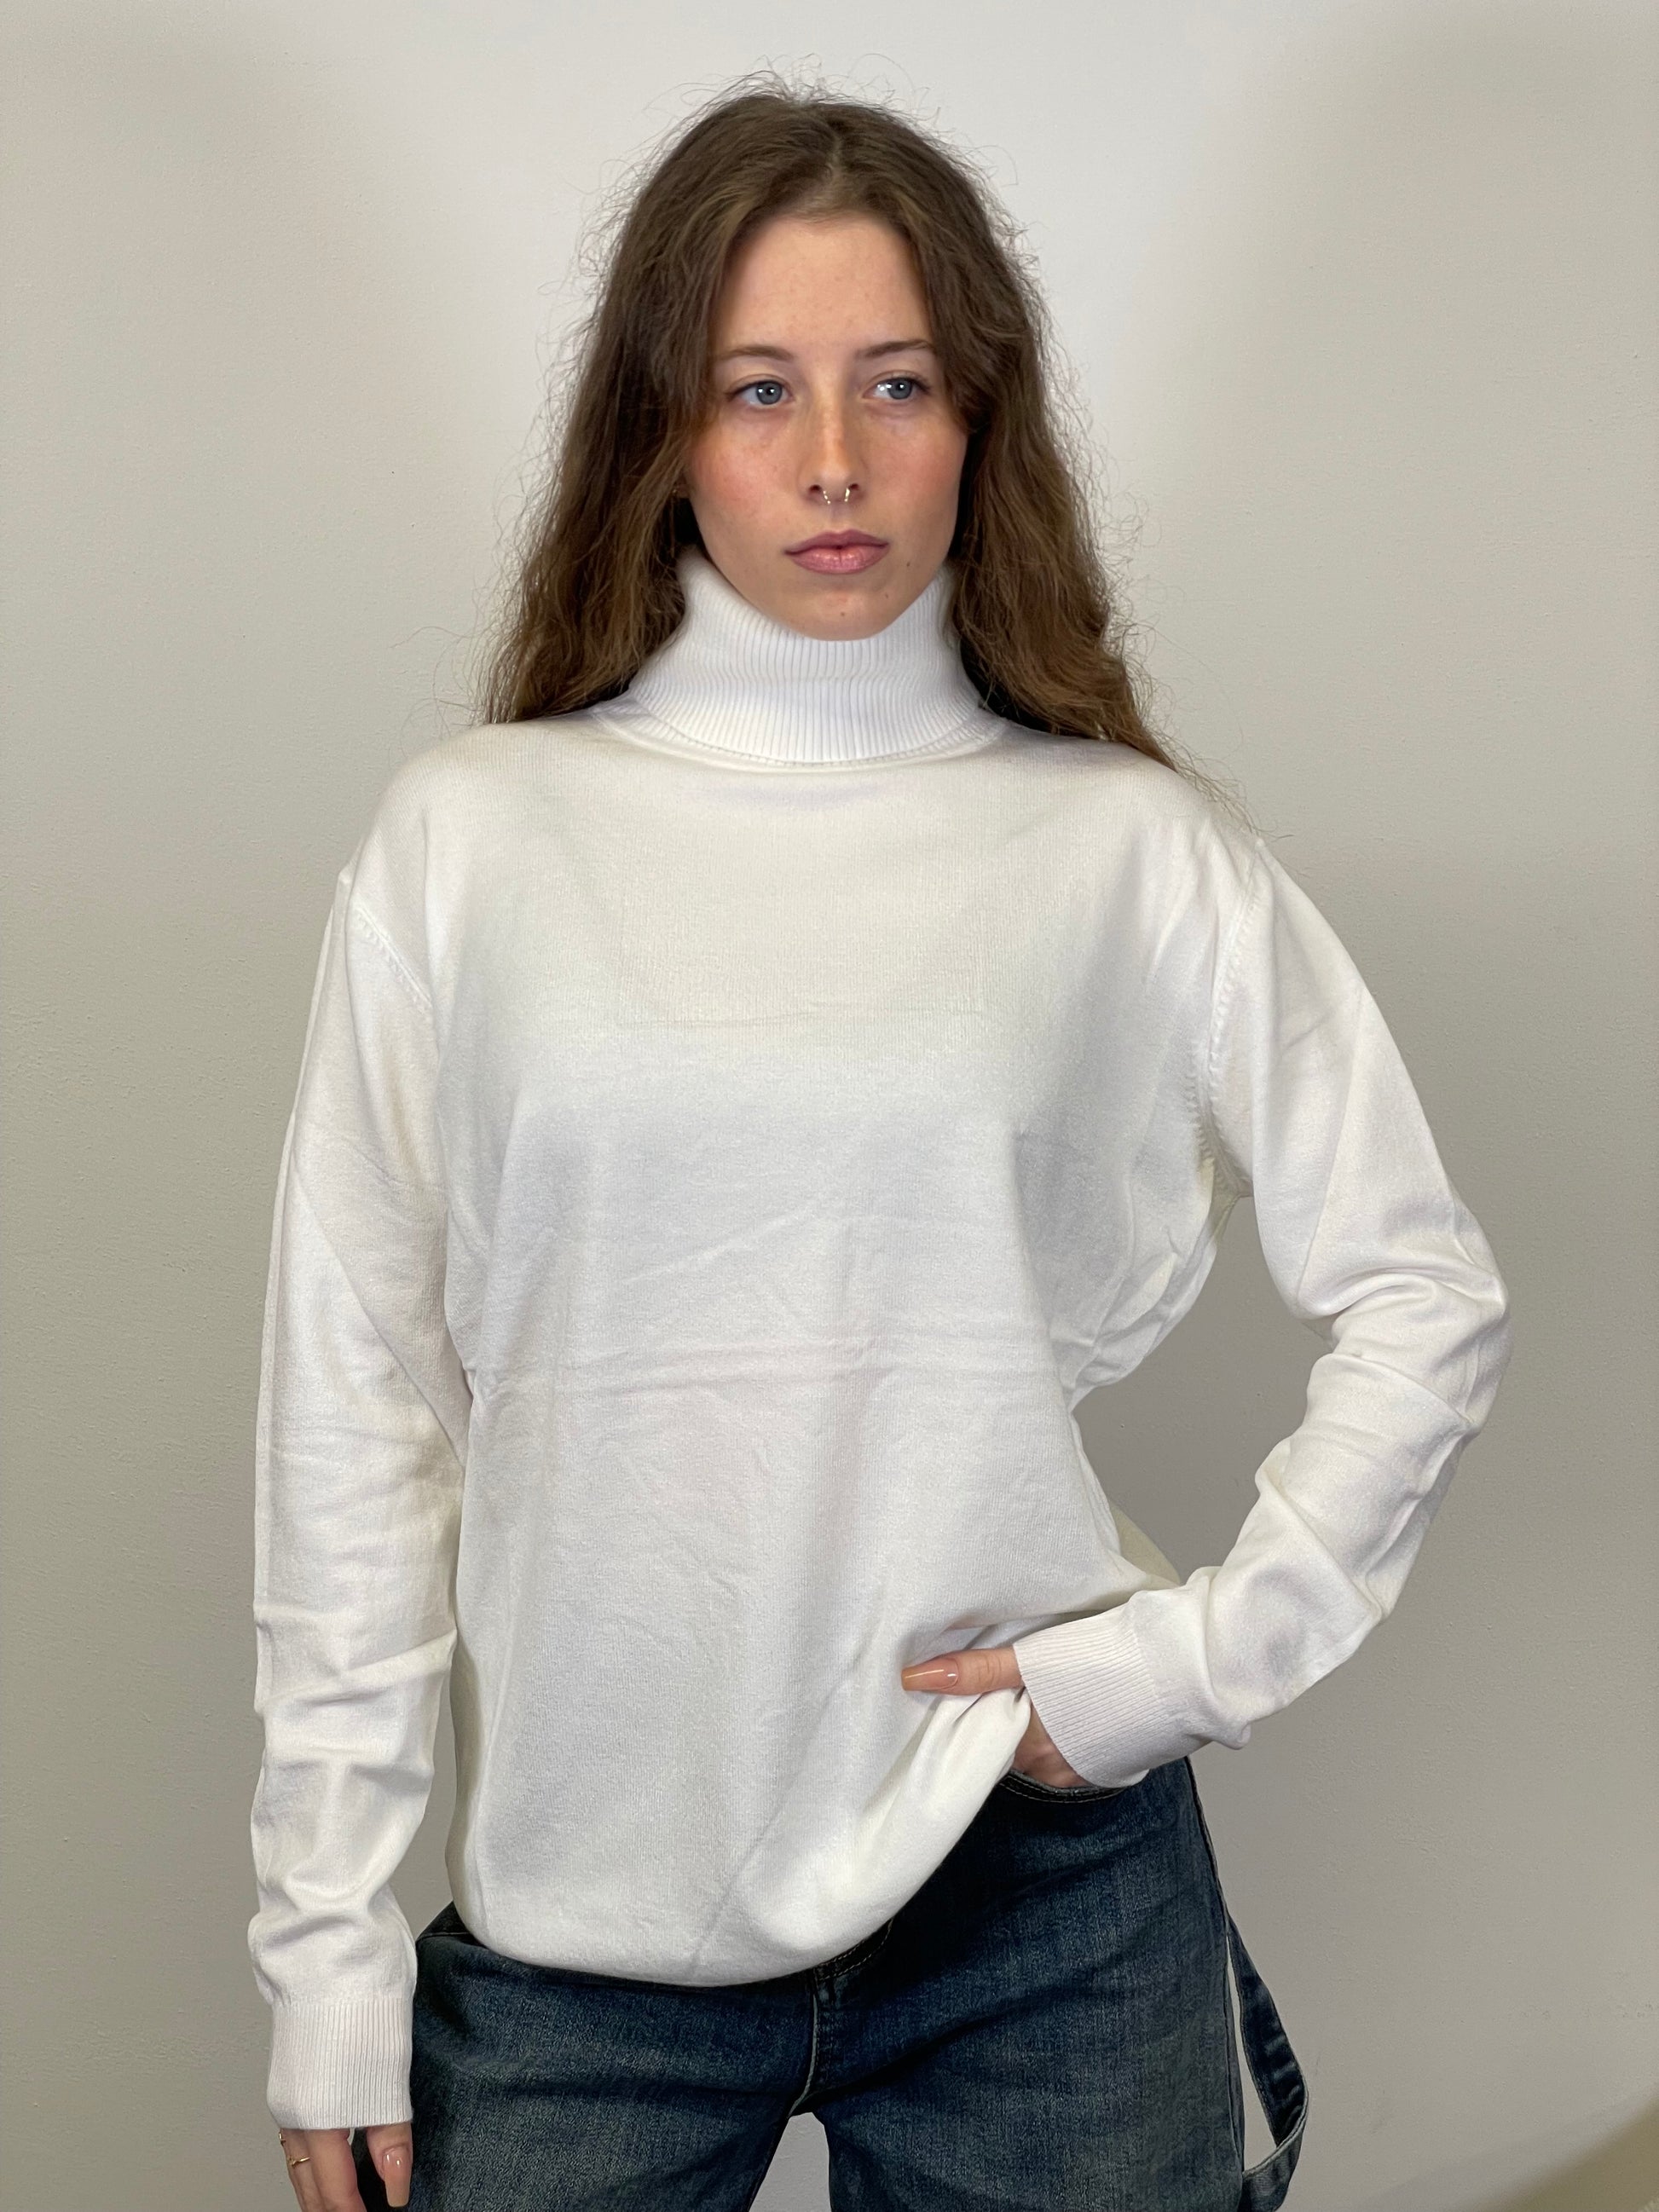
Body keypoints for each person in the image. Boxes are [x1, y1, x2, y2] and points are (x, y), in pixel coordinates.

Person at [249, 80, 1512, 2212]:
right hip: (585, 1908)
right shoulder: (470, 841)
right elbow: (353, 1407)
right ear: (661, 429)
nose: (832, 457)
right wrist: (326, 1951)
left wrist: (1177, 1665)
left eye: (896, 383)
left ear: (976, 420)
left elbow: (1423, 1287)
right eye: (759, 388)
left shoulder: (1129, 850)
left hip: (1039, 1900)